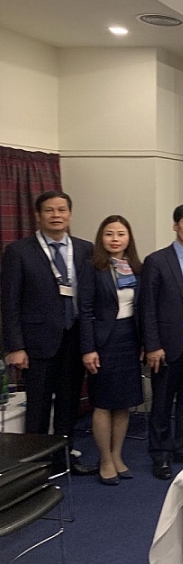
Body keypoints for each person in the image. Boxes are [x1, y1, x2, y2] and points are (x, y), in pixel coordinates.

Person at [1, 190, 97, 475]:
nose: (57, 215)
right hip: (36, 343)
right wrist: (15, 347)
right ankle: (35, 469)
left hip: (74, 339)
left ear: (70, 214)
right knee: (39, 408)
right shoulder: (19, 251)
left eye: (62, 210)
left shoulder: (85, 249)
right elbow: (9, 302)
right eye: (50, 210)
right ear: (38, 215)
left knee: (69, 405)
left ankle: (64, 458)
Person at [141, 203, 183, 480]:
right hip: (165, 345)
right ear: (175, 225)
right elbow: (147, 307)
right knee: (162, 403)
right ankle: (160, 454)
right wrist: (152, 345)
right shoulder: (157, 261)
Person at [79, 215, 145, 485]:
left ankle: (117, 455)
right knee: (103, 403)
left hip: (130, 338)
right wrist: (88, 348)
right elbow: (85, 311)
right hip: (103, 342)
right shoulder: (92, 267)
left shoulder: (136, 267)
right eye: (109, 234)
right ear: (101, 238)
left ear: (128, 238)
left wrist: (145, 343)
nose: (115, 239)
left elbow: (142, 308)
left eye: (120, 234)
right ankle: (105, 459)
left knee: (124, 402)